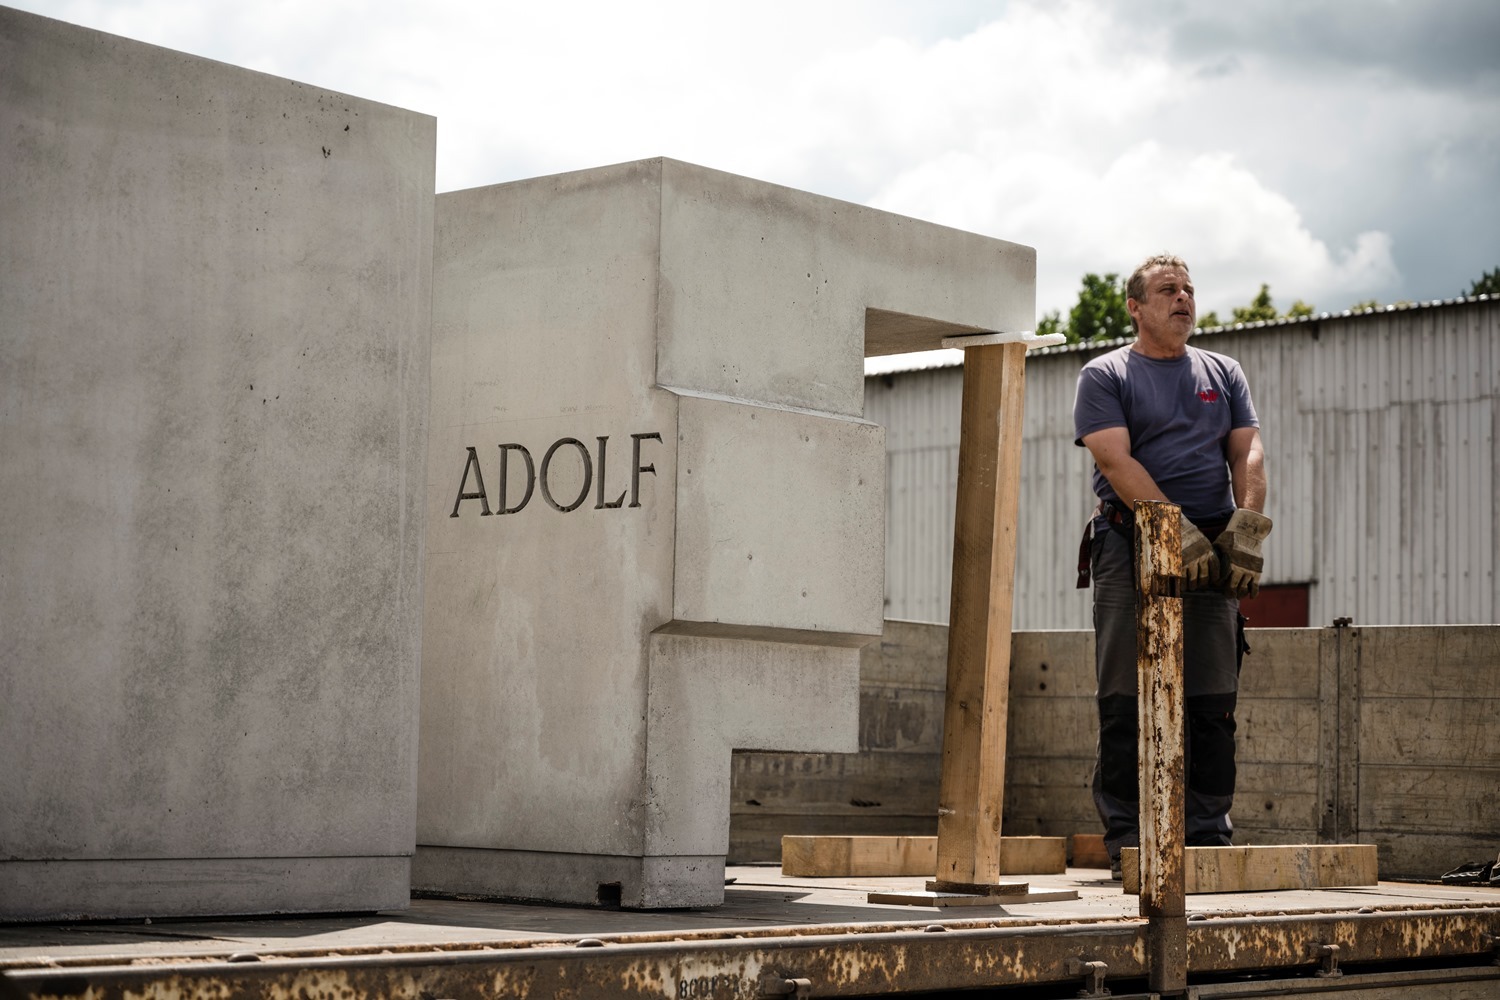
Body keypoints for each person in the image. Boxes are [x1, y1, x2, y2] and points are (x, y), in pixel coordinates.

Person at [1072, 253, 1270, 875]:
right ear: (1135, 307)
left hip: (1213, 548)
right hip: (1128, 541)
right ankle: (1129, 842)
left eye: (1187, 289)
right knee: (1124, 698)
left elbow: (1248, 450)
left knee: (1213, 701)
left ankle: (1207, 839)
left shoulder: (1223, 372)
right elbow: (1114, 460)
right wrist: (1168, 529)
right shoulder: (1106, 374)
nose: (1182, 298)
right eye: (1166, 290)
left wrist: (1246, 527)